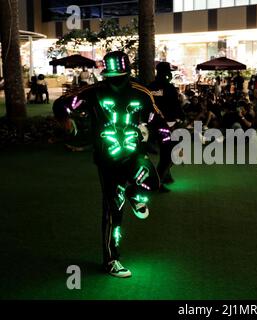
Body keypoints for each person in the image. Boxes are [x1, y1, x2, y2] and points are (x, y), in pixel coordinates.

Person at [52, 51, 171, 278]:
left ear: (127, 74)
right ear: (106, 74)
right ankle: (111, 259)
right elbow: (63, 104)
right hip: (108, 160)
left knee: (153, 183)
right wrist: (67, 121)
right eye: (111, 77)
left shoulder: (141, 94)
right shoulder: (94, 93)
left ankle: (134, 195)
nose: (115, 81)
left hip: (135, 153)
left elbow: (159, 122)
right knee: (113, 210)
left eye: (119, 76)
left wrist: (166, 140)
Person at [148, 61, 186, 191]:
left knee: (167, 152)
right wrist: (180, 118)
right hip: (167, 126)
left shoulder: (149, 87)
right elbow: (176, 107)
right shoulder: (169, 88)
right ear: (166, 73)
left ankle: (166, 175)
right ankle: (157, 182)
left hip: (151, 126)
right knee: (169, 154)